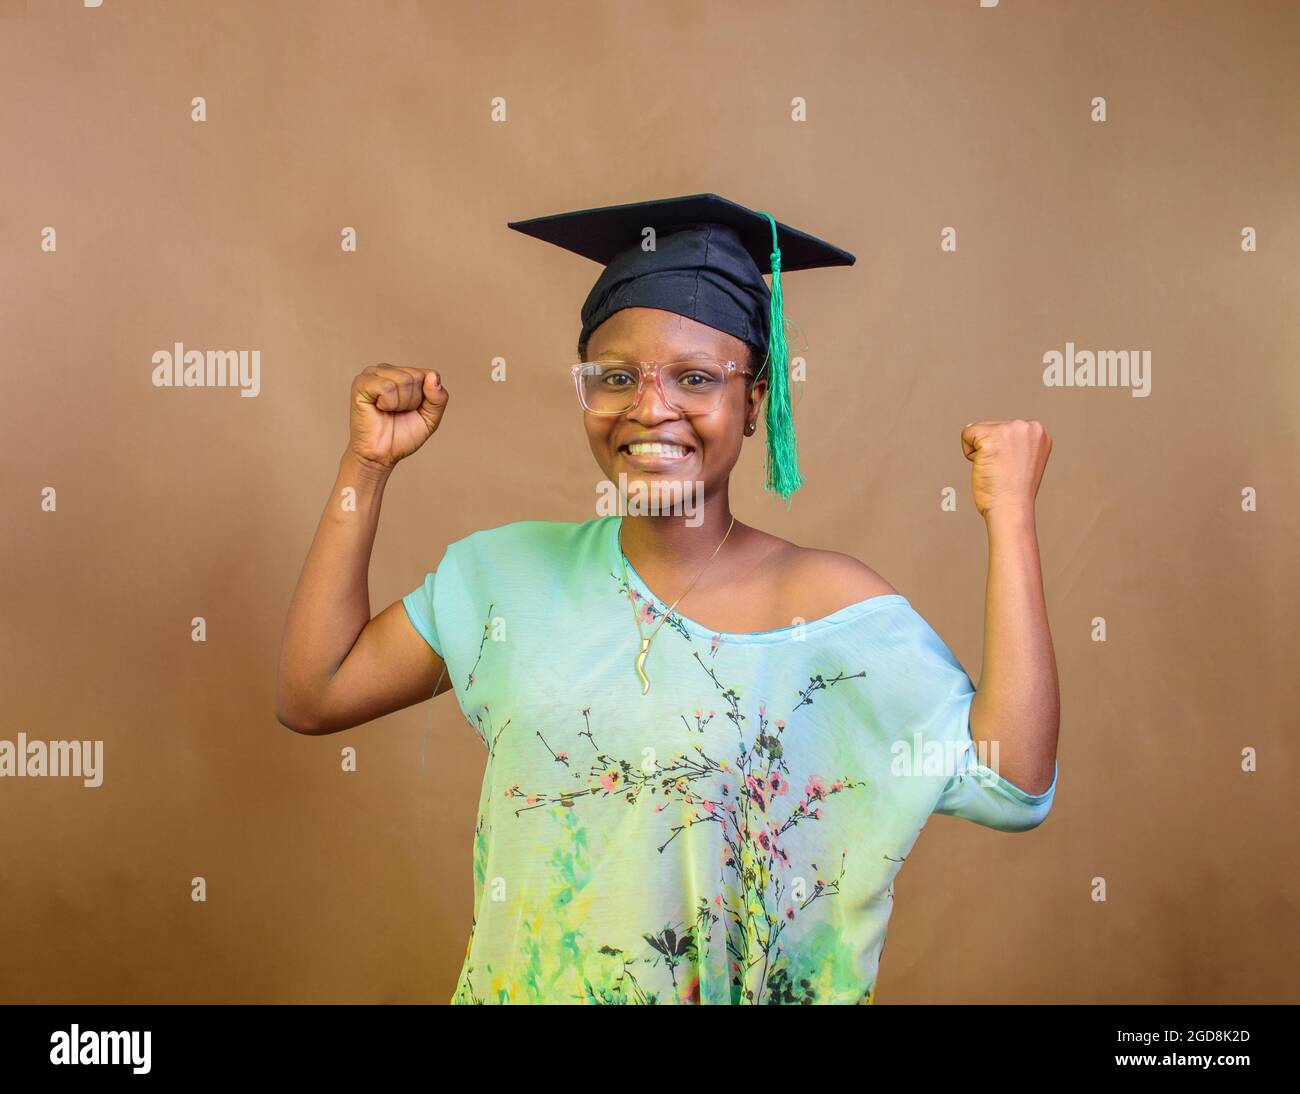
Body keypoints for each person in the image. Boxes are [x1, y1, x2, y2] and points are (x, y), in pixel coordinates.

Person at [275, 193, 1061, 1005]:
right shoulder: (503, 576)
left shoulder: (824, 608)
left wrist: (1010, 516)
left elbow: (1014, 785)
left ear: (755, 403)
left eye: (695, 378)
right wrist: (365, 467)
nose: (650, 408)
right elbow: (315, 691)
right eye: (617, 377)